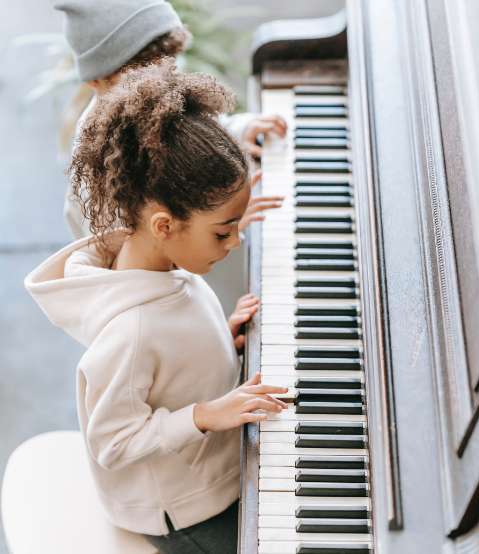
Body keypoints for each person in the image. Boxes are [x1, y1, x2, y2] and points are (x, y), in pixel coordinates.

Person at [25, 60, 288, 553]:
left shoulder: (166, 263)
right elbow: (113, 442)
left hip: (209, 471)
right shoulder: (131, 331)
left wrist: (218, 341)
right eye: (223, 231)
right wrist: (205, 414)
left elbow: (173, 348)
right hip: (184, 508)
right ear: (165, 225)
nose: (235, 243)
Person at [52, 0, 287, 241]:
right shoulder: (99, 168)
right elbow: (132, 264)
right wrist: (224, 230)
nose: (161, 78)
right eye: (143, 70)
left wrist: (238, 130)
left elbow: (194, 128)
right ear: (96, 80)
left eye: (169, 60)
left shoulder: (156, 96)